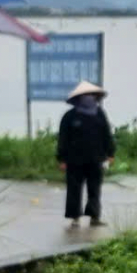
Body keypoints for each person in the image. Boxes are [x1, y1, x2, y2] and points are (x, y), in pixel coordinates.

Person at [56, 81, 116, 230]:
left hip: (96, 159)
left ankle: (94, 217)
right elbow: (63, 138)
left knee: (94, 189)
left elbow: (107, 134)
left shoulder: (100, 114)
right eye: (86, 96)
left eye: (91, 96)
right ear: (79, 98)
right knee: (74, 189)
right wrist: (61, 159)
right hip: (74, 160)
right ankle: (75, 218)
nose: (89, 98)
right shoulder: (69, 116)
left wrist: (110, 153)